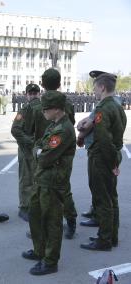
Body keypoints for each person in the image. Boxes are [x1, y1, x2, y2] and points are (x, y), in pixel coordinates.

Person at [23, 90, 76, 275]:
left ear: (57, 109)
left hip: (53, 183)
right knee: (35, 216)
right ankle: (40, 251)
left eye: (46, 109)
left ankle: (51, 261)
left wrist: (39, 152)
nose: (43, 112)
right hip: (42, 180)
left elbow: (44, 158)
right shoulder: (53, 125)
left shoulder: (63, 129)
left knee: (52, 222)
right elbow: (37, 145)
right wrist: (39, 151)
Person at [80, 71, 127, 251]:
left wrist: (111, 162)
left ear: (102, 87)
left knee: (102, 199)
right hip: (111, 156)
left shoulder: (103, 108)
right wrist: (115, 160)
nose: (94, 91)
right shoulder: (117, 106)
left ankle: (104, 239)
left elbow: (103, 139)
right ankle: (111, 236)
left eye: (95, 87)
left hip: (101, 158)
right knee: (111, 198)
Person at [11, 83, 41, 222]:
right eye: (31, 93)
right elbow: (15, 130)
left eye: (35, 93)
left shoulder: (42, 108)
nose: (33, 95)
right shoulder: (24, 110)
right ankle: (24, 207)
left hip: (38, 150)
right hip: (27, 150)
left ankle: (34, 205)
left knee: (36, 179)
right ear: (27, 95)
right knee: (26, 179)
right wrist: (31, 142)